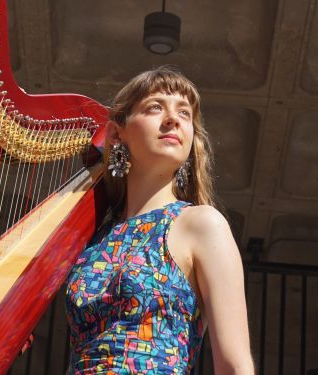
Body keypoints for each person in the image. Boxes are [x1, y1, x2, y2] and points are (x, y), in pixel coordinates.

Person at [64, 66, 254, 374]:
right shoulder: (93, 237)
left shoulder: (201, 224)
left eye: (185, 113)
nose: (173, 119)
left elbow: (234, 366)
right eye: (155, 107)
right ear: (116, 133)